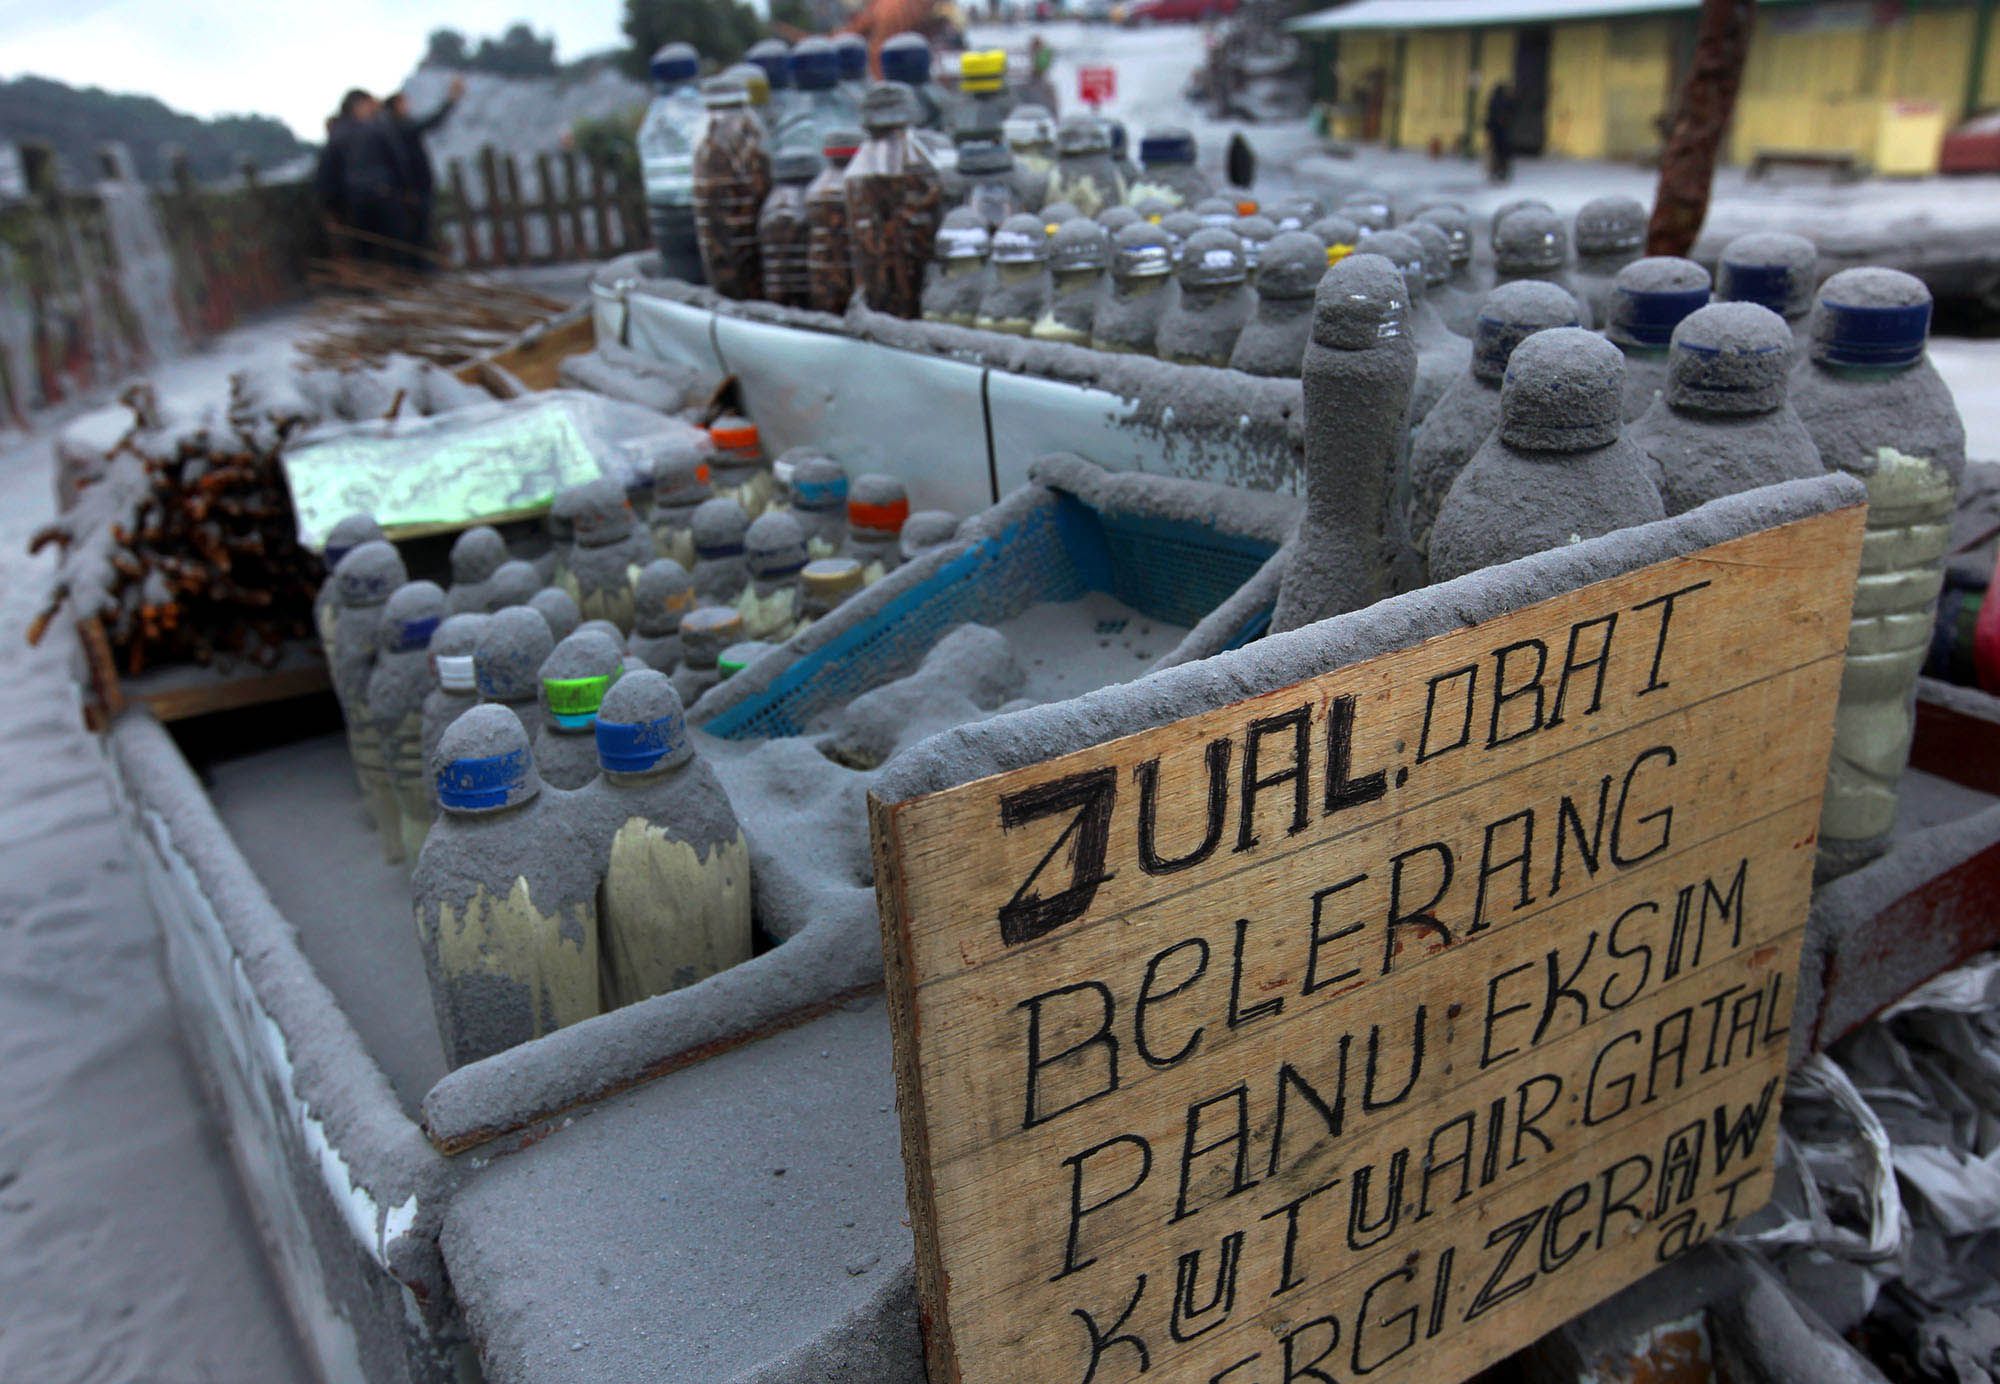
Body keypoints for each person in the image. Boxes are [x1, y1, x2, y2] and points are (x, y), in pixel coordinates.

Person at [387, 76, 466, 270]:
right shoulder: (399, 127)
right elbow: (430, 122)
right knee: (417, 236)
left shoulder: (396, 127)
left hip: (412, 188)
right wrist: (450, 100)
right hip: (413, 189)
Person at [1484, 82, 1516, 184]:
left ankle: (1494, 172)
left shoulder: (1493, 101)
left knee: (1495, 153)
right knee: (1504, 153)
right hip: (1503, 132)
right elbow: (1512, 112)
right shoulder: (1507, 101)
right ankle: (1503, 173)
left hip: (1494, 132)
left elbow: (1489, 117)